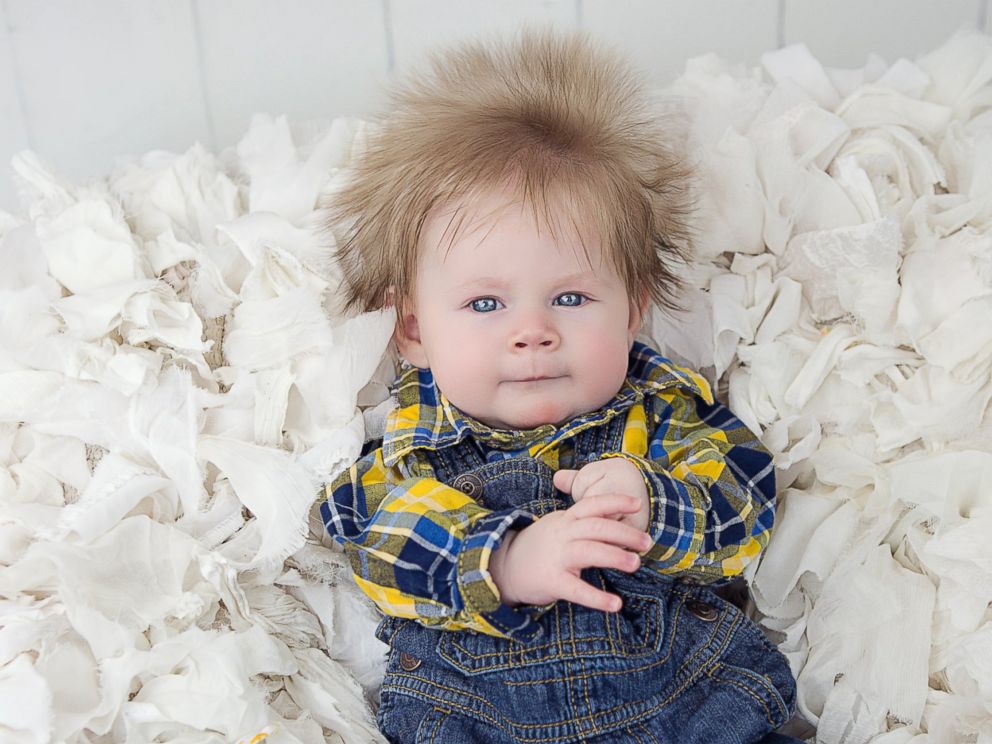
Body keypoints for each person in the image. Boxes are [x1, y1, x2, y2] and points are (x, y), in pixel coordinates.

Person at [315, 29, 801, 743]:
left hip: (692, 706)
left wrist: (654, 504)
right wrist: (504, 561)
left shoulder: (659, 412)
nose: (532, 331)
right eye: (486, 305)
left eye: (570, 299)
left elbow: (746, 509)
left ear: (633, 309)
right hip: (476, 724)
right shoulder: (414, 445)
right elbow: (372, 539)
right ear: (413, 331)